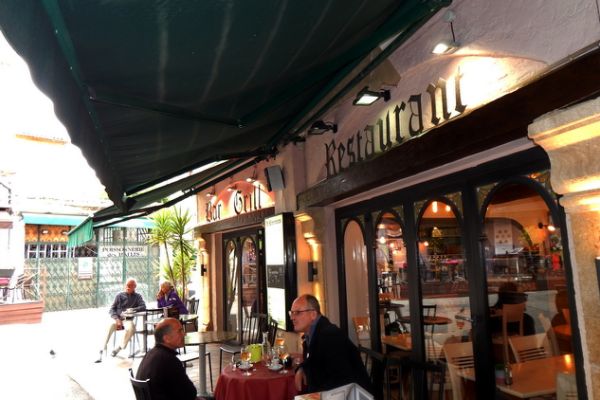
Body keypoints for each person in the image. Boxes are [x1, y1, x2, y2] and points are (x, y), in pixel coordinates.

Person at [291, 294, 371, 395]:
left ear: (313, 314)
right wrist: (301, 368)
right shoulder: (311, 335)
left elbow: (342, 380)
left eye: (297, 312)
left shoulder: (330, 336)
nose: (292, 317)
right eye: (292, 313)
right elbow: (313, 362)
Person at [136, 318, 199, 400]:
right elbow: (190, 394)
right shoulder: (169, 361)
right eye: (180, 331)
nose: (184, 334)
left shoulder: (151, 354)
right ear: (167, 338)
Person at [95, 278, 146, 362]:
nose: (128, 287)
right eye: (127, 285)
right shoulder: (119, 295)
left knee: (131, 328)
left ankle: (119, 348)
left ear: (135, 287)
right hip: (117, 319)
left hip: (128, 320)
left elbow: (143, 307)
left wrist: (133, 309)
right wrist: (117, 319)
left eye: (130, 286)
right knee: (109, 326)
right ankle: (102, 350)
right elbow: (112, 309)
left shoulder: (138, 296)